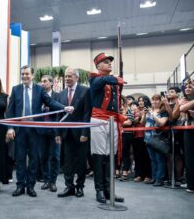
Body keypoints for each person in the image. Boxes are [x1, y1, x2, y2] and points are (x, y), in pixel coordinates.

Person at [6, 65, 73, 198]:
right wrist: (10, 127)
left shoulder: (39, 90)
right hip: (20, 130)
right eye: (23, 74)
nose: (24, 76)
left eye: (27, 74)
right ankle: (20, 186)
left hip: (34, 130)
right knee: (19, 159)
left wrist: (64, 107)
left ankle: (30, 186)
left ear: (33, 76)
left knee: (33, 159)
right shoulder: (16, 89)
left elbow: (50, 102)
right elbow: (10, 110)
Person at [89, 53, 125, 204]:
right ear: (98, 66)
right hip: (98, 120)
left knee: (110, 156)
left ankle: (109, 190)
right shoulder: (95, 79)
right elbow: (103, 80)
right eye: (105, 62)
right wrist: (117, 78)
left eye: (110, 61)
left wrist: (118, 79)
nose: (109, 63)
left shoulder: (113, 82)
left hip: (113, 120)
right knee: (99, 156)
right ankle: (99, 190)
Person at [56, 67, 91, 198]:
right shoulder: (61, 94)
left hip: (80, 134)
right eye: (66, 76)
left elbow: (87, 113)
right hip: (66, 134)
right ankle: (69, 187)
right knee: (67, 162)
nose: (67, 79)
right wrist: (57, 133)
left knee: (81, 162)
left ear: (77, 77)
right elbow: (59, 116)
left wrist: (85, 133)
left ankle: (80, 187)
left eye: (70, 76)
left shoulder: (85, 91)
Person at [39, 75, 60, 192]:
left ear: (51, 83)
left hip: (54, 131)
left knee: (55, 157)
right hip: (41, 131)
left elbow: (59, 113)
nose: (43, 83)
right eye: (41, 81)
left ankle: (53, 182)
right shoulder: (38, 97)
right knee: (43, 157)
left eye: (45, 81)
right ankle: (46, 180)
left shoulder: (57, 96)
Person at [142, 94, 169, 186]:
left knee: (159, 159)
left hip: (158, 139)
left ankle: (159, 179)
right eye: (153, 100)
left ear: (161, 101)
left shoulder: (163, 112)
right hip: (148, 138)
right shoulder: (149, 111)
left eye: (157, 100)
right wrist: (145, 114)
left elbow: (161, 123)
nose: (154, 102)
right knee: (152, 159)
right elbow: (142, 123)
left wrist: (153, 114)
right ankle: (154, 177)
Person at [133, 96, 152, 183]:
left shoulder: (151, 109)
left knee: (147, 157)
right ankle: (139, 175)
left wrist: (144, 114)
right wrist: (139, 115)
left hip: (148, 135)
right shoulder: (136, 111)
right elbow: (135, 121)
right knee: (138, 156)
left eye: (143, 100)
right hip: (137, 136)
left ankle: (148, 175)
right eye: (139, 101)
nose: (141, 102)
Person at [179, 80, 194, 193]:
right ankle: (191, 184)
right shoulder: (184, 100)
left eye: (190, 86)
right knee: (189, 158)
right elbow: (181, 109)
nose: (187, 89)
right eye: (186, 87)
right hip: (189, 130)